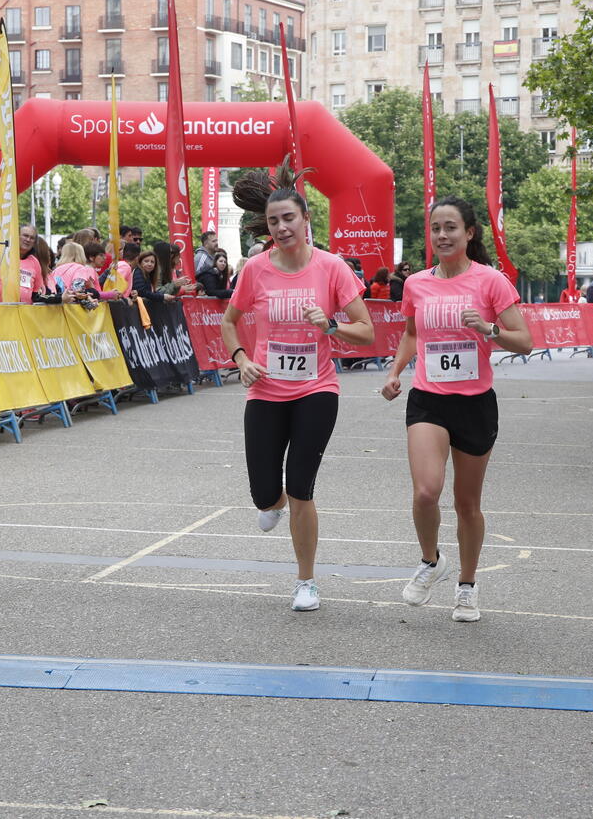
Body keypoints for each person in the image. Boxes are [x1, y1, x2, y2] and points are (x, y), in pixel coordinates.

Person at [221, 167, 374, 612]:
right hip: (266, 391)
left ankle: (306, 581)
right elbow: (230, 323)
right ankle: (274, 498)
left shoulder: (331, 268)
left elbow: (365, 332)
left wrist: (330, 325)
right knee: (265, 498)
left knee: (302, 485)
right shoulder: (255, 269)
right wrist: (242, 359)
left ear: (306, 219)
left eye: (289, 218)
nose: (282, 228)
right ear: (266, 227)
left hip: (316, 390)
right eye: (273, 222)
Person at [380, 196, 532, 622]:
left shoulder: (491, 282)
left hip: (475, 405)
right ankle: (431, 561)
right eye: (436, 229)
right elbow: (411, 333)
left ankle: (467, 585)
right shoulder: (416, 285)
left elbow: (525, 340)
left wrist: (489, 329)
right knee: (426, 491)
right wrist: (396, 371)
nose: (442, 235)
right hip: (428, 399)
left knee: (467, 504)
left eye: (451, 228)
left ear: (469, 233)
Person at [0, 224, 67, 304]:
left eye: (32, 238)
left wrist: (59, 298)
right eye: (25, 236)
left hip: (21, 316)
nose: (28, 239)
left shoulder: (34, 262)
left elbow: (36, 295)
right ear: (16, 236)